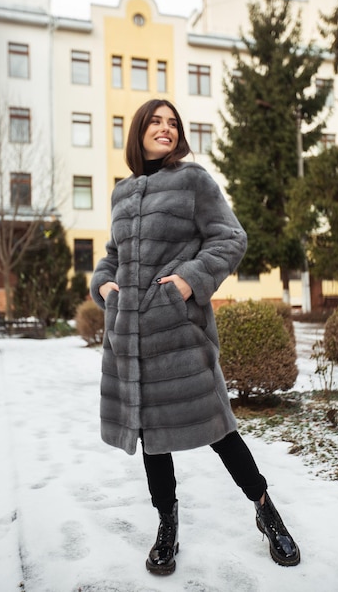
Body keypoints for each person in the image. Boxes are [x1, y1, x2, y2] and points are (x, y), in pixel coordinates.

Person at [90, 98, 300, 574]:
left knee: (220, 429)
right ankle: (167, 523)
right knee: (153, 439)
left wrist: (189, 280)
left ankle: (266, 510)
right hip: (132, 343)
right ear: (138, 131)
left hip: (180, 336)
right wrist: (105, 285)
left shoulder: (193, 180)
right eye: (155, 122)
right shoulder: (121, 194)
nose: (165, 128)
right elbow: (111, 256)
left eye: (172, 123)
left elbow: (230, 237)